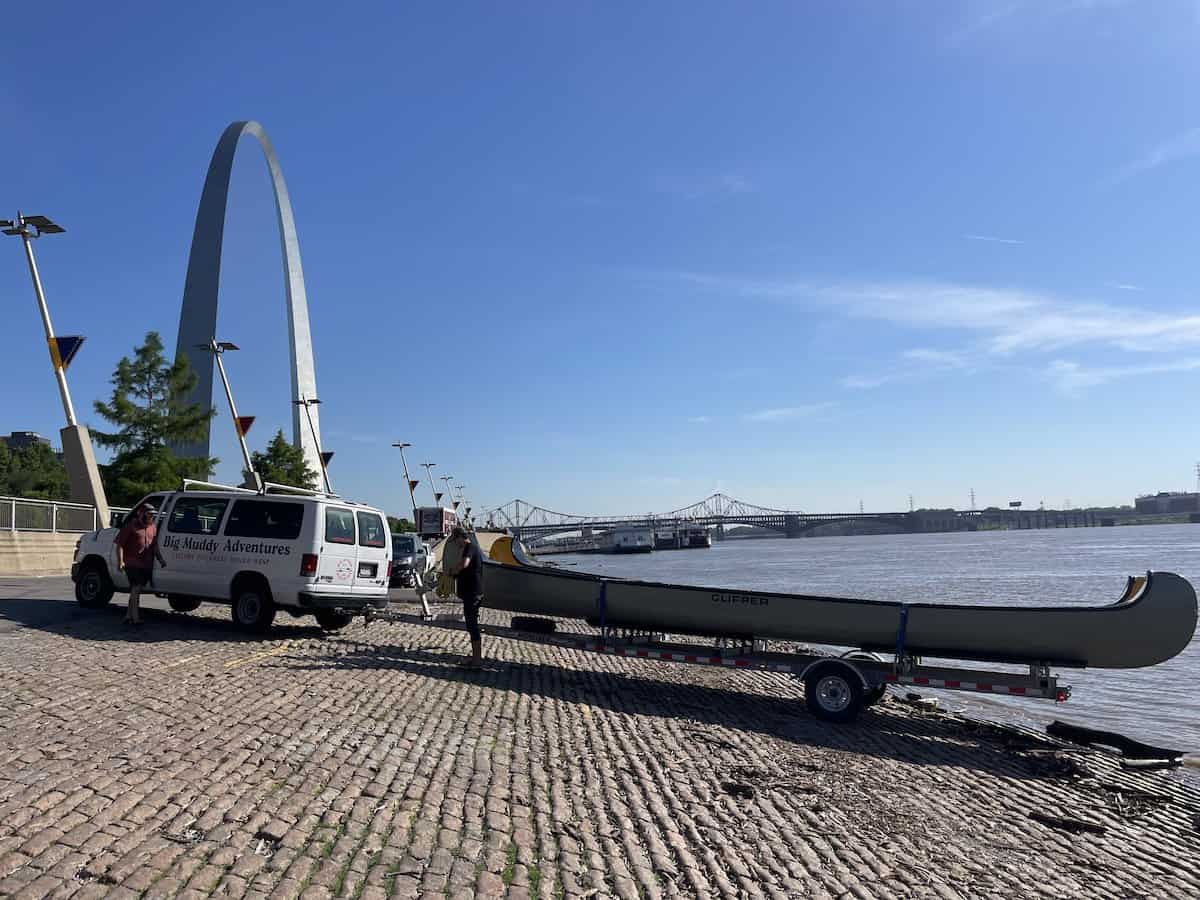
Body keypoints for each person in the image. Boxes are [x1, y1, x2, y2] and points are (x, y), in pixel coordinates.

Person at [115, 503, 167, 626]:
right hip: (132, 562)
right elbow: (120, 544)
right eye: (149, 514)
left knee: (135, 590)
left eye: (153, 514)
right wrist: (120, 561)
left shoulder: (153, 527)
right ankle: (135, 618)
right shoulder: (131, 526)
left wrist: (160, 559)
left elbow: (154, 546)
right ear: (141, 514)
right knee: (136, 588)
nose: (151, 516)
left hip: (146, 564)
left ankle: (128, 616)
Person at [448, 526, 484, 668]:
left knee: (472, 626)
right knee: (471, 625)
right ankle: (476, 659)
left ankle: (476, 661)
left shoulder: (470, 547)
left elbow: (465, 564)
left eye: (456, 540)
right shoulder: (471, 548)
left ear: (460, 537)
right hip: (471, 592)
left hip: (472, 593)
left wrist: (453, 570)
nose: (456, 543)